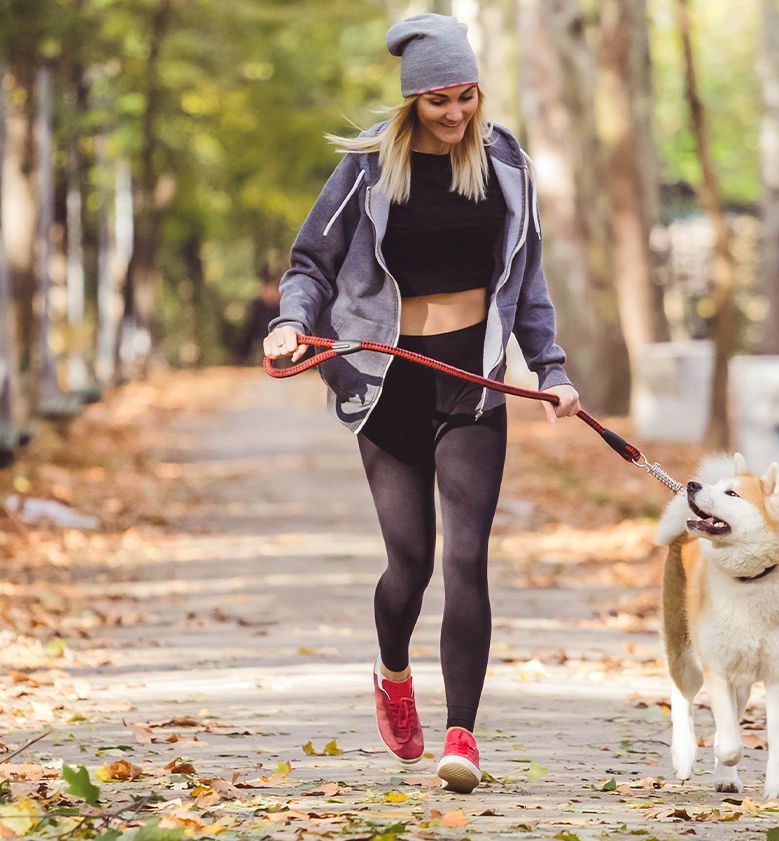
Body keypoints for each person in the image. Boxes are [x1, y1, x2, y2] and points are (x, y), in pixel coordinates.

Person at [262, 13, 581, 794]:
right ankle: (392, 667)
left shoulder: (507, 163)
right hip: (386, 379)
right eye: (438, 100)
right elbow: (313, 260)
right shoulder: (373, 166)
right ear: (411, 102)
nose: (455, 113)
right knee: (412, 561)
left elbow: (528, 283)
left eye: (466, 96)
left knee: (468, 558)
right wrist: (289, 321)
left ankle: (462, 733)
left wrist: (551, 368)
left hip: (473, 379)